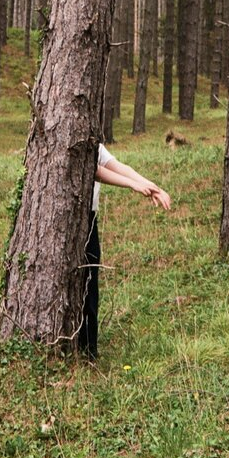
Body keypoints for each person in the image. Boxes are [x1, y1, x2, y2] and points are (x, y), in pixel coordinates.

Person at [79, 143, 171, 359]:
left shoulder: (95, 143)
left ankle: (88, 352)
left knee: (90, 283)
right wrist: (132, 185)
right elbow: (94, 170)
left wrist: (152, 187)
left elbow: (119, 166)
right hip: (71, 218)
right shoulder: (77, 139)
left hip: (89, 219)